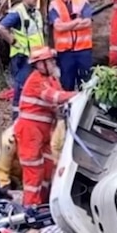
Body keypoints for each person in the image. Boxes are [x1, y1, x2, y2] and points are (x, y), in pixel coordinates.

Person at [14, 47, 78, 207]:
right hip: (30, 131)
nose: (53, 63)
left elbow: (62, 100)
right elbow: (56, 97)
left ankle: (44, 203)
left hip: (43, 132)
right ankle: (31, 209)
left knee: (49, 167)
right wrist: (80, 94)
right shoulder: (36, 80)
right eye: (49, 61)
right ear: (40, 64)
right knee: (33, 172)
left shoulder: (52, 80)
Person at [0, 0, 45, 120]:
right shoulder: (18, 13)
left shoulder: (35, 12)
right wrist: (14, 42)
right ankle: (17, 118)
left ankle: (32, 115)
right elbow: (1, 28)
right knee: (21, 87)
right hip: (23, 57)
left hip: (36, 56)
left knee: (34, 87)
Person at [48, 0, 94, 91]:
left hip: (83, 49)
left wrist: (68, 25)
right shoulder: (54, 6)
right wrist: (77, 21)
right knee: (67, 83)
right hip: (65, 52)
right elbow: (58, 27)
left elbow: (87, 22)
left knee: (86, 82)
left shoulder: (82, 1)